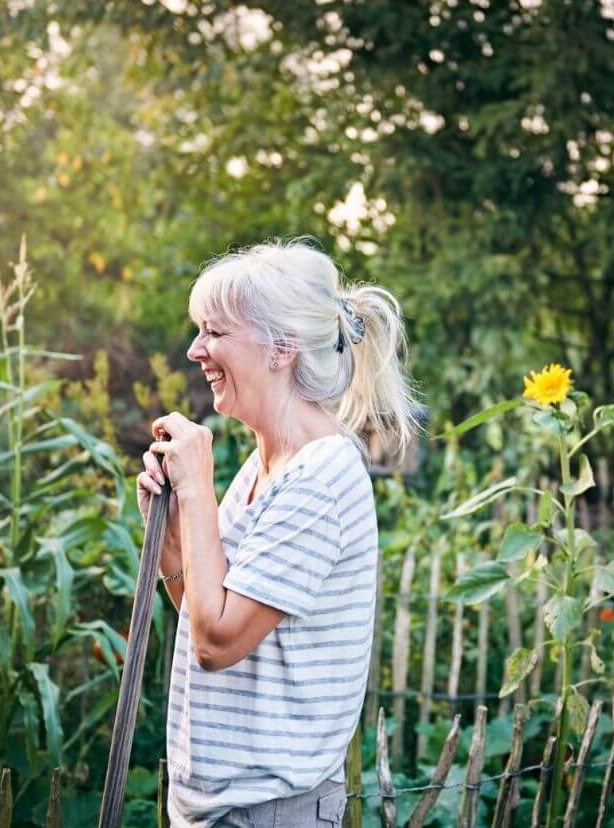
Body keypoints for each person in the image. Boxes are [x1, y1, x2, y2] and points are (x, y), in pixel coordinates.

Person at [135, 238, 422, 827]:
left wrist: (196, 490)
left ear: (281, 347)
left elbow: (217, 644)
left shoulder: (321, 477)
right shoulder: (264, 466)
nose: (196, 350)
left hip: (266, 811)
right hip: (222, 805)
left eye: (214, 332)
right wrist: (169, 539)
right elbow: (202, 607)